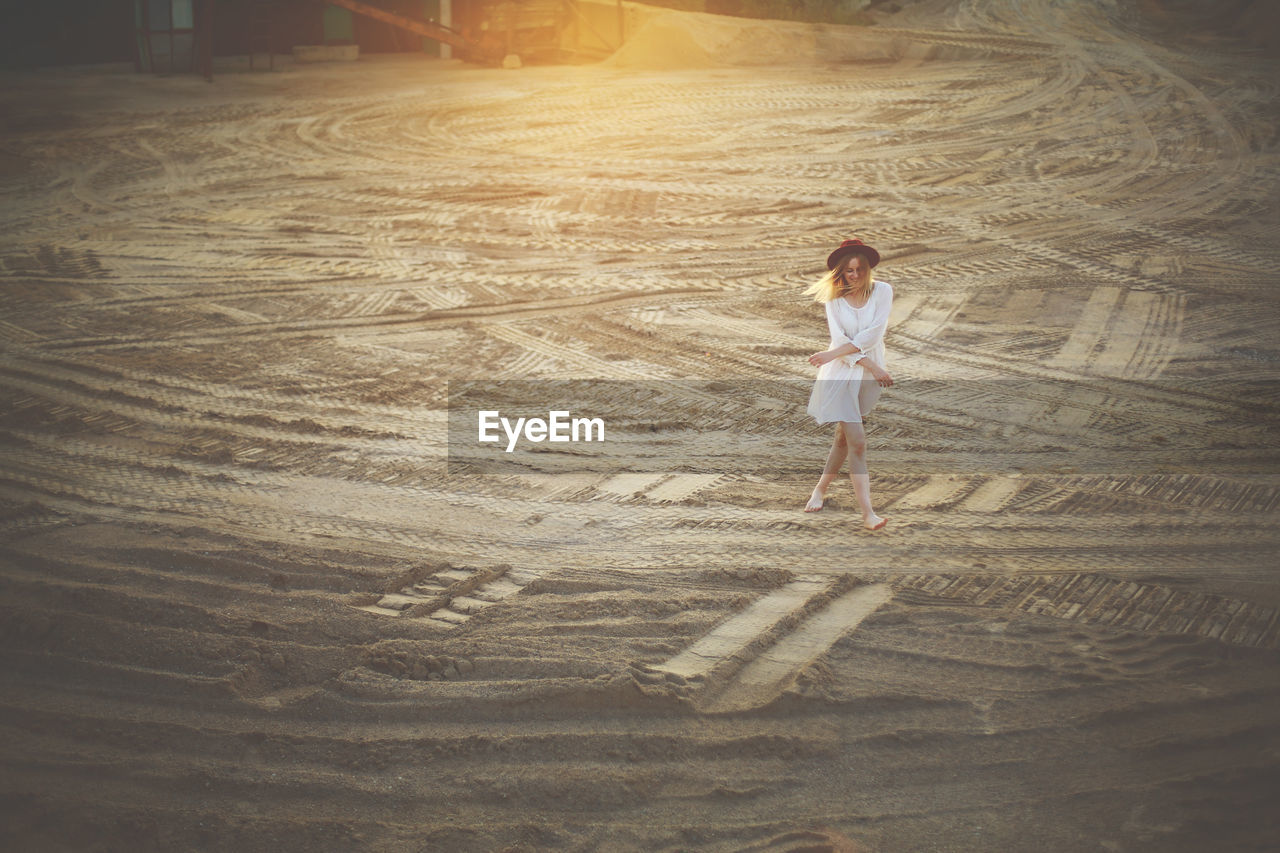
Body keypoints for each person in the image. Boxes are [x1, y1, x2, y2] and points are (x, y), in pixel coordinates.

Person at [803, 239, 894, 530]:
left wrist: (865, 363)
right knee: (857, 442)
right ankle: (868, 514)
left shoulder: (883, 291)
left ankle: (820, 489)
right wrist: (868, 364)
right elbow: (841, 341)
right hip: (840, 373)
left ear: (868, 269)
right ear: (840, 272)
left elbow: (873, 335)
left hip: (866, 373)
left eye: (860, 269)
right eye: (849, 271)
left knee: (843, 439)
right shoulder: (834, 298)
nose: (854, 276)